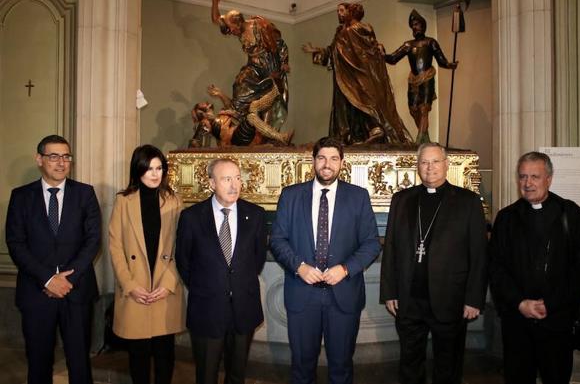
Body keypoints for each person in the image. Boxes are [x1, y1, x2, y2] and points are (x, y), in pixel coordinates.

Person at [270, 136, 381, 384]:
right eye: (321, 158)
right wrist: (299, 266)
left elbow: (372, 243)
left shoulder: (358, 197)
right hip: (302, 295)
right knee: (301, 367)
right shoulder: (291, 196)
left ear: (342, 162)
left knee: (341, 368)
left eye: (333, 158)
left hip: (343, 295)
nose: (327, 164)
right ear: (313, 161)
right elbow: (277, 240)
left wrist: (345, 268)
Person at [379, 142, 488, 384]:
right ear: (417, 166)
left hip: (451, 299)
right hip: (409, 300)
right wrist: (390, 292)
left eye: (435, 161)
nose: (430, 168)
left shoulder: (468, 201)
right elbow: (392, 249)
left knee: (448, 367)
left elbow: (479, 254)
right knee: (409, 364)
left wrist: (473, 298)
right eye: (424, 162)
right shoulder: (402, 199)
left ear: (446, 165)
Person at [489, 151, 580, 384]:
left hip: (557, 323)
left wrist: (552, 304)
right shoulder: (507, 218)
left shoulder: (571, 215)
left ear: (549, 178)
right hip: (518, 323)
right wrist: (520, 303)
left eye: (534, 177)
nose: (527, 183)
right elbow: (496, 268)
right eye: (522, 177)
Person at [5, 134, 101, 384]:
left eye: (66, 156)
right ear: (39, 159)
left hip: (77, 291)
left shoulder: (85, 194)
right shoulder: (21, 197)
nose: (61, 162)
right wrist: (48, 279)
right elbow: (16, 243)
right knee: (38, 362)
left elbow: (93, 241)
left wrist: (67, 279)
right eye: (54, 156)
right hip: (36, 293)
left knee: (80, 363)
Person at [176, 158, 267, 384]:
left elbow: (257, 259)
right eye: (227, 179)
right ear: (211, 183)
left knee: (237, 375)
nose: (234, 185)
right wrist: (209, 285)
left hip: (243, 309)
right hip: (206, 310)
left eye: (238, 178)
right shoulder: (191, 217)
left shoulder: (255, 215)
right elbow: (184, 261)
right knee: (206, 375)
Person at [108, 145, 186, 384]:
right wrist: (130, 285)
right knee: (138, 354)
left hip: (165, 287)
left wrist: (170, 283)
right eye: (149, 168)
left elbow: (181, 247)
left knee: (165, 353)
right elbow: (115, 246)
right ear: (138, 170)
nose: (155, 174)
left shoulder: (174, 200)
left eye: (159, 168)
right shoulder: (123, 201)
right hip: (135, 289)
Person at [302, 3, 413, 145]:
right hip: (344, 76)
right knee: (348, 106)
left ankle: (375, 129)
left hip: (360, 73)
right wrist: (317, 51)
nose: (339, 14)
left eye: (342, 10)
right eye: (337, 11)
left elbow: (371, 49)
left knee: (363, 100)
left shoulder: (359, 29)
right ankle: (352, 136)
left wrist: (378, 49)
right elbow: (333, 52)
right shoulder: (340, 32)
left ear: (350, 12)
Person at [209, 0, 291, 145]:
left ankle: (268, 134)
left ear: (239, 22)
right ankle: (238, 114)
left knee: (269, 104)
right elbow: (216, 19)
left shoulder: (260, 26)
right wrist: (215, 2)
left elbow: (280, 43)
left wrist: (284, 62)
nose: (232, 32)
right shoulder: (235, 28)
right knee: (240, 82)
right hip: (253, 67)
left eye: (233, 28)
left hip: (270, 68)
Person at [384, 10, 458, 145]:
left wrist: (449, 65)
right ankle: (425, 138)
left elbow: (441, 60)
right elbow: (394, 58)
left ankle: (419, 140)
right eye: (412, 25)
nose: (414, 27)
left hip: (427, 77)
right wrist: (382, 55)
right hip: (413, 80)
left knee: (424, 108)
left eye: (417, 24)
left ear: (423, 26)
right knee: (413, 110)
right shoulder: (408, 45)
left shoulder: (431, 42)